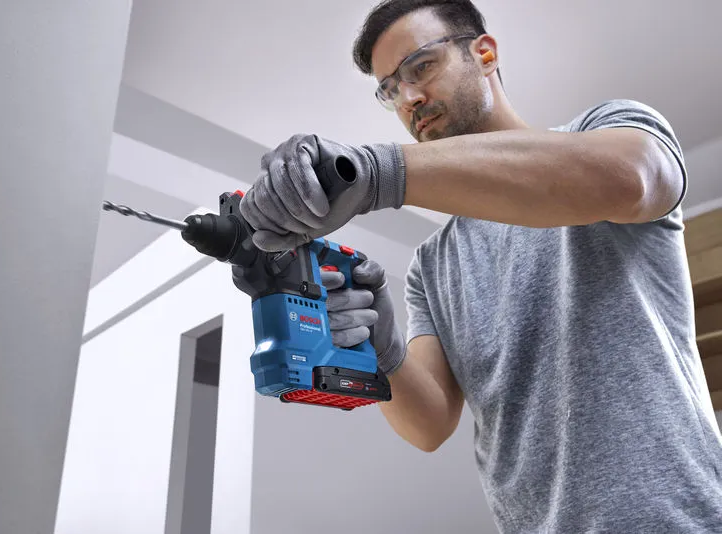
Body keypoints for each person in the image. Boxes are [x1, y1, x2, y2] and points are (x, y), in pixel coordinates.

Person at [238, 0, 722, 531]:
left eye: (421, 67)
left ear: (485, 54)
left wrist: (380, 171)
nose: (409, 99)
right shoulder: (432, 264)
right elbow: (429, 426)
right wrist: (382, 348)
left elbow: (634, 180)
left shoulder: (603, 130)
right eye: (390, 90)